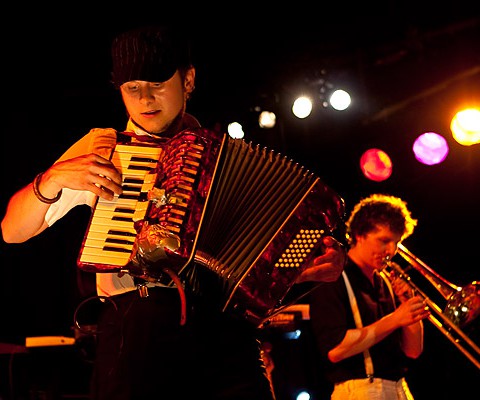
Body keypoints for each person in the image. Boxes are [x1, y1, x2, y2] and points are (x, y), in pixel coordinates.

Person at [1, 25, 347, 400]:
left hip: (227, 331)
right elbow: (12, 231)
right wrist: (50, 180)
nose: (145, 99)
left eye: (157, 84)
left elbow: (259, 270)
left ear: (189, 80)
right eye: (132, 88)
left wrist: (315, 265)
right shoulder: (106, 146)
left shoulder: (224, 155)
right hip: (139, 326)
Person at [308, 193, 431, 400]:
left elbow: (413, 351)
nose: (391, 251)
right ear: (359, 235)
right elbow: (335, 350)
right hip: (361, 389)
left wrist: (409, 310)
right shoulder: (334, 276)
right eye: (383, 241)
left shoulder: (385, 283)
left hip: (400, 388)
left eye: (395, 243)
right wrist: (396, 319)